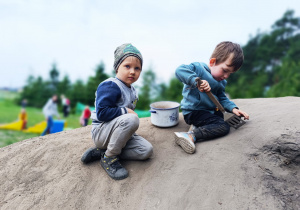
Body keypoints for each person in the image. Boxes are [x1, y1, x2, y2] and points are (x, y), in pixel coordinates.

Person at [81, 43, 153, 180]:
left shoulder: (132, 91)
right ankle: (109, 157)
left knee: (146, 151)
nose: (132, 71)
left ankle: (103, 152)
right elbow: (102, 113)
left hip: (116, 133)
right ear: (117, 67)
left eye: (137, 68)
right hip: (102, 132)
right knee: (131, 119)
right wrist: (125, 111)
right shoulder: (111, 85)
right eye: (127, 66)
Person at [174, 41, 249, 154]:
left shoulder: (221, 82)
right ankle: (191, 135)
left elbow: (222, 98)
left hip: (211, 111)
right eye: (224, 70)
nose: (226, 76)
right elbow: (179, 70)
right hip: (194, 112)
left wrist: (234, 109)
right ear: (213, 62)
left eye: (230, 73)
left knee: (230, 118)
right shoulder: (198, 69)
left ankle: (200, 126)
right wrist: (196, 81)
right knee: (223, 127)